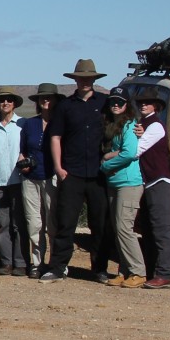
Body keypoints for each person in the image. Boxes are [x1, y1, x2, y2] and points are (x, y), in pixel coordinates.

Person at [40, 59, 111, 284]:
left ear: (94, 80)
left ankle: (99, 269)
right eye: (81, 77)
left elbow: (122, 125)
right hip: (72, 173)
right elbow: (55, 137)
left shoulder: (105, 103)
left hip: (100, 174)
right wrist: (59, 168)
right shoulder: (65, 106)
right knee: (66, 222)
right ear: (75, 80)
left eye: (89, 78)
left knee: (100, 224)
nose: (85, 81)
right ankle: (58, 267)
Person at [98, 86, 146, 287]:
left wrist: (105, 164)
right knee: (117, 228)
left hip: (129, 182)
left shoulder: (129, 125)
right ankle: (124, 271)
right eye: (112, 102)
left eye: (120, 102)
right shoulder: (111, 125)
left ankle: (138, 272)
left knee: (124, 227)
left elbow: (128, 152)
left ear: (127, 105)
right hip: (115, 182)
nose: (115, 105)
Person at [19, 83, 63, 278]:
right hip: (30, 179)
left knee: (53, 224)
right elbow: (22, 150)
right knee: (34, 223)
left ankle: (56, 263)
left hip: (52, 177)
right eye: (42, 97)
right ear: (37, 101)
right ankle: (37, 263)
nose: (45, 100)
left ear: (55, 100)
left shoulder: (61, 123)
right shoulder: (29, 124)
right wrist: (23, 163)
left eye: (49, 97)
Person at [0, 87, 27, 276]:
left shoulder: (22, 125)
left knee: (19, 223)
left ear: (14, 103)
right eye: (2, 100)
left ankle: (21, 262)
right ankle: (6, 261)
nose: (5, 103)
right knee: (3, 223)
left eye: (9, 100)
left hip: (19, 179)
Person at [134, 88, 170, 289]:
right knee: (149, 229)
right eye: (141, 101)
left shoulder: (156, 126)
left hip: (159, 181)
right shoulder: (143, 124)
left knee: (161, 229)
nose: (143, 104)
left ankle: (164, 274)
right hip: (149, 181)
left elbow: (137, 150)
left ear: (156, 106)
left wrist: (110, 156)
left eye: (148, 102)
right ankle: (153, 272)